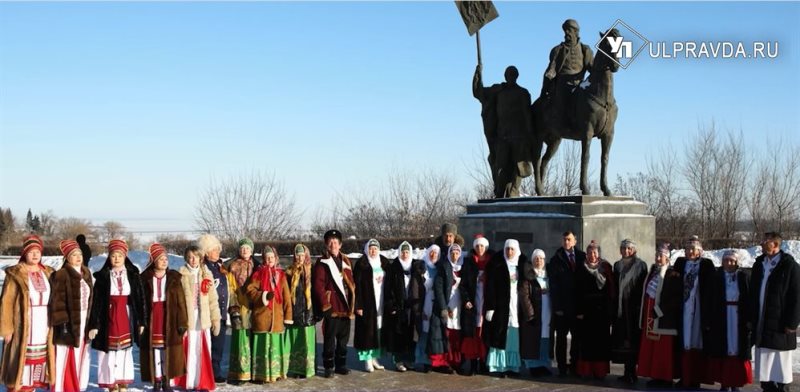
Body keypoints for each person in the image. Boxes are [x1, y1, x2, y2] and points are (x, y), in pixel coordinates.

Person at [88, 239, 147, 392]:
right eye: (113, 256)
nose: (116, 259)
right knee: (109, 349)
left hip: (126, 314)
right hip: (108, 314)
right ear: (109, 257)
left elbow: (139, 299)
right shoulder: (103, 277)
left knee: (124, 349)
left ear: (125, 256)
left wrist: (141, 321)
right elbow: (96, 302)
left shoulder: (133, 275)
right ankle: (110, 381)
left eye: (120, 256)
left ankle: (122, 381)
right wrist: (94, 324)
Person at [0, 235, 55, 391]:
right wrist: (7, 328)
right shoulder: (15, 274)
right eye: (31, 251)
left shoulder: (48, 273)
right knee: (20, 364)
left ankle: (32, 388)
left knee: (38, 365)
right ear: (25, 253)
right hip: (23, 324)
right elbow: (6, 302)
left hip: (43, 322)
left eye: (38, 251)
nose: (35, 255)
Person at [473, 64, 533, 198]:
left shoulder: (523, 93)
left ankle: (513, 192)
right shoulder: (498, 91)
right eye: (508, 75)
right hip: (502, 136)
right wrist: (478, 75)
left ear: (517, 77)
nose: (511, 77)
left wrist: (529, 135)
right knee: (500, 166)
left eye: (513, 75)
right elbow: (479, 92)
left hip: (518, 136)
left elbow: (527, 115)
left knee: (519, 167)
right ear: (505, 76)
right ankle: (500, 193)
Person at [749, 232, 799, 392]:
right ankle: (767, 387)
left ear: (775, 244)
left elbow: (797, 296)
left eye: (765, 241)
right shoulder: (759, 264)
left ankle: (782, 388)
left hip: (780, 324)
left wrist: (792, 323)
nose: (762, 244)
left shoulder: (789, 266)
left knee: (779, 363)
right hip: (762, 322)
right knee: (765, 363)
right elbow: (752, 293)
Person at [140, 243, 187, 392]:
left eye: (166, 258)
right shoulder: (145, 279)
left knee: (167, 351)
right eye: (160, 259)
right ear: (154, 261)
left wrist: (182, 323)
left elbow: (181, 302)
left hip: (170, 318)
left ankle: (167, 380)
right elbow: (141, 302)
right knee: (155, 351)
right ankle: (157, 380)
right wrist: (141, 321)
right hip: (153, 317)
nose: (164, 261)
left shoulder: (174, 278)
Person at [174, 244, 220, 391]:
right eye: (190, 257)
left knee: (202, 348)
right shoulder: (181, 275)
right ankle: (188, 381)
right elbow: (177, 300)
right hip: (188, 317)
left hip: (203, 316)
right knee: (190, 348)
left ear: (201, 258)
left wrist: (215, 318)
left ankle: (203, 381)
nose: (193, 260)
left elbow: (213, 298)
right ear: (186, 258)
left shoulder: (206, 274)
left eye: (196, 257)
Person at [50, 239, 93, 392]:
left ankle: (78, 386)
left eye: (79, 254)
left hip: (83, 320)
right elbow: (58, 303)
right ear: (67, 257)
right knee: (65, 355)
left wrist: (92, 324)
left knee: (81, 353)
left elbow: (91, 300)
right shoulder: (61, 274)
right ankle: (63, 387)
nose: (78, 257)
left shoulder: (86, 273)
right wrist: (63, 326)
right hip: (68, 323)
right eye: (74, 254)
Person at [312, 229, 356, 378]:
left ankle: (341, 364)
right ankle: (329, 366)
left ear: (340, 244)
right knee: (330, 340)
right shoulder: (322, 262)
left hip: (345, 307)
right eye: (330, 242)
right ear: (326, 244)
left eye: (335, 242)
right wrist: (326, 305)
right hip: (332, 307)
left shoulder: (346, 261)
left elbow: (352, 284)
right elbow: (318, 286)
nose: (333, 245)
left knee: (343, 340)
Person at [636, 243, 682, 388]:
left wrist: (660, 311)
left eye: (660, 256)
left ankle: (666, 377)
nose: (657, 258)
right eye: (656, 255)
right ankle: (655, 375)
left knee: (663, 350)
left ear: (667, 259)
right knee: (653, 348)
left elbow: (674, 297)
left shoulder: (672, 274)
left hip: (663, 317)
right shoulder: (653, 272)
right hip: (650, 314)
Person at [245, 245, 292, 383]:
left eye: (272, 257)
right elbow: (250, 291)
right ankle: (261, 374)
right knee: (263, 348)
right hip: (262, 317)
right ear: (264, 259)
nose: (270, 259)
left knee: (275, 347)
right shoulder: (258, 274)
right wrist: (264, 296)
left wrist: (288, 316)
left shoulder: (281, 275)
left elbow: (287, 297)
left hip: (277, 319)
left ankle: (276, 372)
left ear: (276, 258)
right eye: (267, 257)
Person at [673, 235, 715, 389]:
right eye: (688, 249)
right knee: (684, 341)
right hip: (684, 307)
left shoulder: (706, 265)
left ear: (699, 251)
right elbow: (673, 282)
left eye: (693, 249)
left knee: (697, 341)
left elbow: (711, 288)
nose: (690, 252)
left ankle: (695, 377)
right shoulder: (680, 263)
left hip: (698, 307)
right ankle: (684, 376)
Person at [708, 250, 752, 392]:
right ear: (722, 262)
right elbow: (712, 299)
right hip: (722, 316)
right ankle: (724, 382)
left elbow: (748, 297)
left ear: (736, 262)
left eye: (732, 261)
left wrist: (749, 318)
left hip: (738, 316)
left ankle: (736, 382)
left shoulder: (743, 277)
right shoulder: (717, 277)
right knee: (724, 347)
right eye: (726, 260)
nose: (729, 263)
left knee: (737, 347)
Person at [484, 239, 526, 378]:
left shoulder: (521, 265)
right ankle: (498, 366)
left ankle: (512, 366)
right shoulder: (497, 265)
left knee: (513, 336)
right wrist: (490, 307)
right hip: (501, 306)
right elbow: (491, 287)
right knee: (499, 334)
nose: (509, 252)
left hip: (515, 305)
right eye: (507, 249)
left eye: (512, 249)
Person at [573, 240, 615, 380]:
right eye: (590, 252)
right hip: (586, 312)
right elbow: (576, 290)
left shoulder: (605, 267)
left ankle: (599, 371)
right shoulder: (581, 267)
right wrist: (579, 310)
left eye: (595, 252)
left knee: (600, 343)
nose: (592, 255)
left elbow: (611, 290)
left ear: (599, 254)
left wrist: (609, 311)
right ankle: (586, 370)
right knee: (586, 342)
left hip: (601, 312)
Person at [547, 230, 586, 376]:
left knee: (577, 339)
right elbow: (554, 285)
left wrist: (582, 308)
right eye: (564, 239)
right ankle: (562, 367)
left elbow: (584, 284)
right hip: (562, 308)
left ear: (575, 241)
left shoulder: (582, 257)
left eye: (569, 239)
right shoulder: (556, 259)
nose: (566, 242)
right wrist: (557, 307)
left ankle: (574, 365)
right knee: (561, 339)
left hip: (577, 308)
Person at [540, 18, 594, 123]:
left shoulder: (585, 49)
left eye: (569, 30)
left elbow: (591, 68)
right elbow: (551, 71)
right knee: (562, 103)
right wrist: (544, 89)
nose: (566, 33)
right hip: (563, 84)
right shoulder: (557, 50)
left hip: (580, 84)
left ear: (576, 32)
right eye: (565, 30)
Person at [611, 239, 648, 383]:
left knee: (633, 339)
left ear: (633, 250)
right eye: (623, 248)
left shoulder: (641, 265)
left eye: (629, 248)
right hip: (621, 307)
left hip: (634, 308)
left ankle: (634, 371)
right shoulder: (617, 265)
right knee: (623, 340)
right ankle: (627, 371)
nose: (626, 251)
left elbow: (642, 286)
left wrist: (640, 306)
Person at [384, 241, 422, 372]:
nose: (405, 255)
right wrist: (391, 306)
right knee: (398, 334)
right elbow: (388, 288)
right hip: (398, 305)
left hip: (412, 306)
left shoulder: (416, 266)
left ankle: (409, 360)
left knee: (411, 334)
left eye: (407, 252)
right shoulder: (393, 267)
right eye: (403, 252)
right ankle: (398, 360)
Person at [197, 233, 230, 384]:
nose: (218, 252)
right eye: (214, 250)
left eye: (218, 249)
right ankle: (207, 372)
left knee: (219, 345)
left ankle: (216, 371)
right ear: (206, 252)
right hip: (208, 313)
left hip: (222, 312)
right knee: (208, 344)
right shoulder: (203, 269)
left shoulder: (220, 267)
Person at [353, 239, 389, 373]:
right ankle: (367, 360)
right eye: (371, 248)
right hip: (367, 303)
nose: (373, 251)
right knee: (367, 332)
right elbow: (356, 287)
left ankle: (374, 358)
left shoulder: (384, 263)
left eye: (375, 248)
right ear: (367, 249)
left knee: (377, 330)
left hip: (381, 301)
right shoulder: (361, 264)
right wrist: (359, 305)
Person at [226, 237, 258, 384]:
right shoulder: (232, 266)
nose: (244, 250)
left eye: (247, 248)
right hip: (239, 305)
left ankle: (254, 372)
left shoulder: (257, 265)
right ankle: (240, 373)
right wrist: (234, 308)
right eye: (242, 248)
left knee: (254, 340)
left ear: (251, 250)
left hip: (254, 307)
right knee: (240, 340)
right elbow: (230, 289)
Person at [459, 235, 492, 376]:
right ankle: (472, 364)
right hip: (473, 304)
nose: (480, 249)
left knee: (485, 335)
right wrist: (466, 299)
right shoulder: (469, 262)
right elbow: (463, 285)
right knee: (473, 335)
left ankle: (483, 363)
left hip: (486, 302)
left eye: (482, 246)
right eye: (477, 246)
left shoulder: (492, 263)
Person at [430, 244, 465, 374]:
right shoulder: (444, 267)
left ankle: (456, 361)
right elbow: (438, 287)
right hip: (447, 303)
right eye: (452, 253)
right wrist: (443, 307)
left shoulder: (463, 267)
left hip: (459, 305)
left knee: (457, 334)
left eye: (457, 253)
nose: (454, 256)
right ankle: (444, 362)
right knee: (446, 335)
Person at [519, 248, 553, 377]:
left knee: (545, 339)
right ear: (532, 261)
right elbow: (524, 296)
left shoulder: (548, 275)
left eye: (541, 258)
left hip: (547, 312)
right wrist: (530, 314)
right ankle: (533, 365)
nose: (538, 261)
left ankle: (544, 364)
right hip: (534, 314)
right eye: (536, 259)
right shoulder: (529, 276)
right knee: (532, 340)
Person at [284, 243, 316, 379]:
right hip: (295, 311)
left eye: (302, 255)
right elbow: (285, 292)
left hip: (308, 312)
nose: (300, 257)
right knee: (295, 342)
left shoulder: (312, 270)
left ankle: (308, 369)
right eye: (298, 254)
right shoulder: (289, 271)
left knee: (307, 342)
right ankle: (296, 369)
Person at [412, 244, 441, 373]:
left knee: (434, 334)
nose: (433, 255)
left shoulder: (440, 268)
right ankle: (422, 360)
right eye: (431, 252)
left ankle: (433, 360)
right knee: (424, 334)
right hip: (424, 304)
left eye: (436, 253)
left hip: (436, 304)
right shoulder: (422, 267)